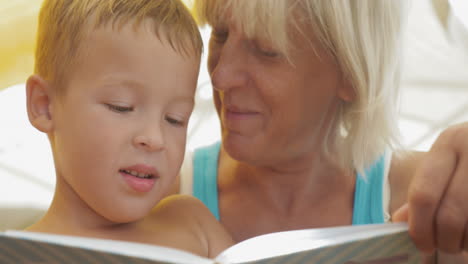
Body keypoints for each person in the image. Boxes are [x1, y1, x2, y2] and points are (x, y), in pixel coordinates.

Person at [176, 0, 468, 261]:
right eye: (220, 34)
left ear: (352, 72)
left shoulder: (425, 201)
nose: (220, 76)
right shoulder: (159, 195)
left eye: (266, 51)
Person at [24, 0, 232, 258]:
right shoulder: (22, 255)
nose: (155, 139)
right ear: (44, 105)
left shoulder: (195, 226)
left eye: (175, 119)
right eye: (121, 107)